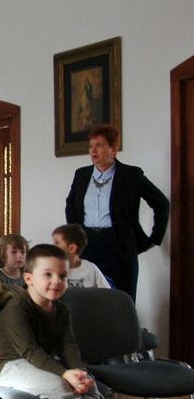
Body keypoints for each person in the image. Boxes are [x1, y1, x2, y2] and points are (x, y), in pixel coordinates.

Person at [0, 244, 140, 399]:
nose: (56, 281)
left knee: (93, 393)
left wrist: (77, 372)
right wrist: (64, 375)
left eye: (62, 276)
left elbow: (68, 346)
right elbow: (29, 351)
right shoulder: (17, 309)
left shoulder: (61, 309)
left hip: (44, 365)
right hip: (12, 366)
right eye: (47, 275)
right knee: (61, 387)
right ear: (28, 278)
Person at [65, 124, 169, 301]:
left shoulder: (131, 175)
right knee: (88, 300)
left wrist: (154, 238)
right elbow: (71, 205)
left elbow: (161, 203)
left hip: (119, 246)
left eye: (99, 145)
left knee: (122, 300)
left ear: (113, 150)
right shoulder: (81, 175)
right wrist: (75, 234)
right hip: (88, 244)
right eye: (91, 146)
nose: (93, 150)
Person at [52, 224, 111, 289]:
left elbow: (108, 293)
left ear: (72, 248)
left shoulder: (91, 268)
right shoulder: (52, 269)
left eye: (57, 243)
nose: (52, 247)